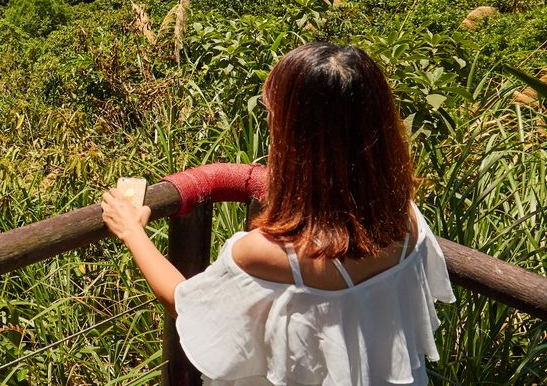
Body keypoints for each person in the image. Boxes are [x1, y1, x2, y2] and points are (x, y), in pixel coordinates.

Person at [101, 42, 455, 385]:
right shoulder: (406, 219)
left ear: (295, 139)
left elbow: (184, 300)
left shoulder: (271, 252)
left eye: (273, 115)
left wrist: (132, 232)